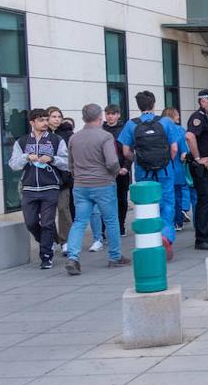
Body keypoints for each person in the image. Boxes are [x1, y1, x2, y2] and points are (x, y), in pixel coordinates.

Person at [64, 104, 130, 274]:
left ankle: (73, 257)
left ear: (83, 117)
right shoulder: (105, 136)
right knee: (111, 220)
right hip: (103, 183)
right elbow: (112, 161)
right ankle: (115, 256)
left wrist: (77, 175)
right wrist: (115, 173)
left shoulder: (74, 138)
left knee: (79, 221)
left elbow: (70, 164)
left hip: (80, 185)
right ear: (100, 117)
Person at [118, 91, 179, 258]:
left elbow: (125, 151)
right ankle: (165, 235)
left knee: (147, 205)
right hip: (165, 170)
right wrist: (167, 160)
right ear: (153, 104)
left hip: (143, 172)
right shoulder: (166, 122)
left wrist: (137, 159)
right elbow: (174, 148)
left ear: (138, 105)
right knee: (167, 204)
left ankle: (150, 237)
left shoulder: (131, 124)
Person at [9, 108, 68, 269]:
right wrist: (26, 157)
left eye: (45, 120)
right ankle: (47, 242)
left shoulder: (56, 140)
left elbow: (67, 162)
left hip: (50, 187)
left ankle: (46, 256)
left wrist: (53, 159)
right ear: (32, 123)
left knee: (48, 223)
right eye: (41, 120)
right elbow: (13, 164)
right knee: (31, 222)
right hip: (29, 189)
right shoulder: (21, 141)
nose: (45, 123)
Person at [185, 89, 208, 250]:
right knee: (204, 200)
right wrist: (198, 157)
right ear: (202, 101)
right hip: (204, 166)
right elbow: (189, 136)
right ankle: (201, 238)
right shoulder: (197, 117)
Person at [46, 106, 76, 249]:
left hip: (63, 178)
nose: (57, 119)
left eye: (59, 117)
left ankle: (66, 240)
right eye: (54, 117)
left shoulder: (67, 134)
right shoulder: (41, 134)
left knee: (64, 209)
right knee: (47, 212)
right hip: (45, 179)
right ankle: (51, 239)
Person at [103, 105, 130, 236]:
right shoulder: (101, 129)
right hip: (105, 171)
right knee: (105, 200)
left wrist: (126, 167)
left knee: (121, 199)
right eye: (108, 114)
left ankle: (120, 226)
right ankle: (103, 229)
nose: (110, 116)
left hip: (121, 170)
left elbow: (129, 150)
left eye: (113, 114)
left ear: (118, 115)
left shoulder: (124, 129)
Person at [161, 107, 191, 230]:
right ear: (172, 116)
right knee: (177, 196)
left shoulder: (159, 129)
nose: (179, 117)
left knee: (165, 197)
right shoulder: (180, 130)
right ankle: (178, 222)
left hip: (162, 169)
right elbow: (184, 154)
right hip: (177, 169)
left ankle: (166, 221)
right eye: (177, 115)